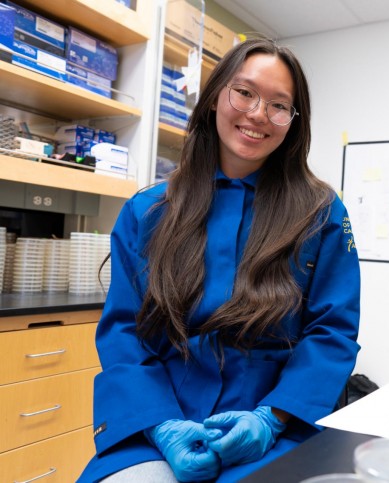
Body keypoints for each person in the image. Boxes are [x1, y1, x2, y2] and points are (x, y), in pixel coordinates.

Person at [79, 38, 361, 482]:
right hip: (156, 418)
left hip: (273, 424)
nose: (257, 114)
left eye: (279, 105)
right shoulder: (148, 210)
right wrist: (162, 426)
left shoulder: (321, 213)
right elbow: (124, 334)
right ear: (214, 98)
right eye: (244, 92)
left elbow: (331, 332)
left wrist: (272, 418)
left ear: (293, 122)